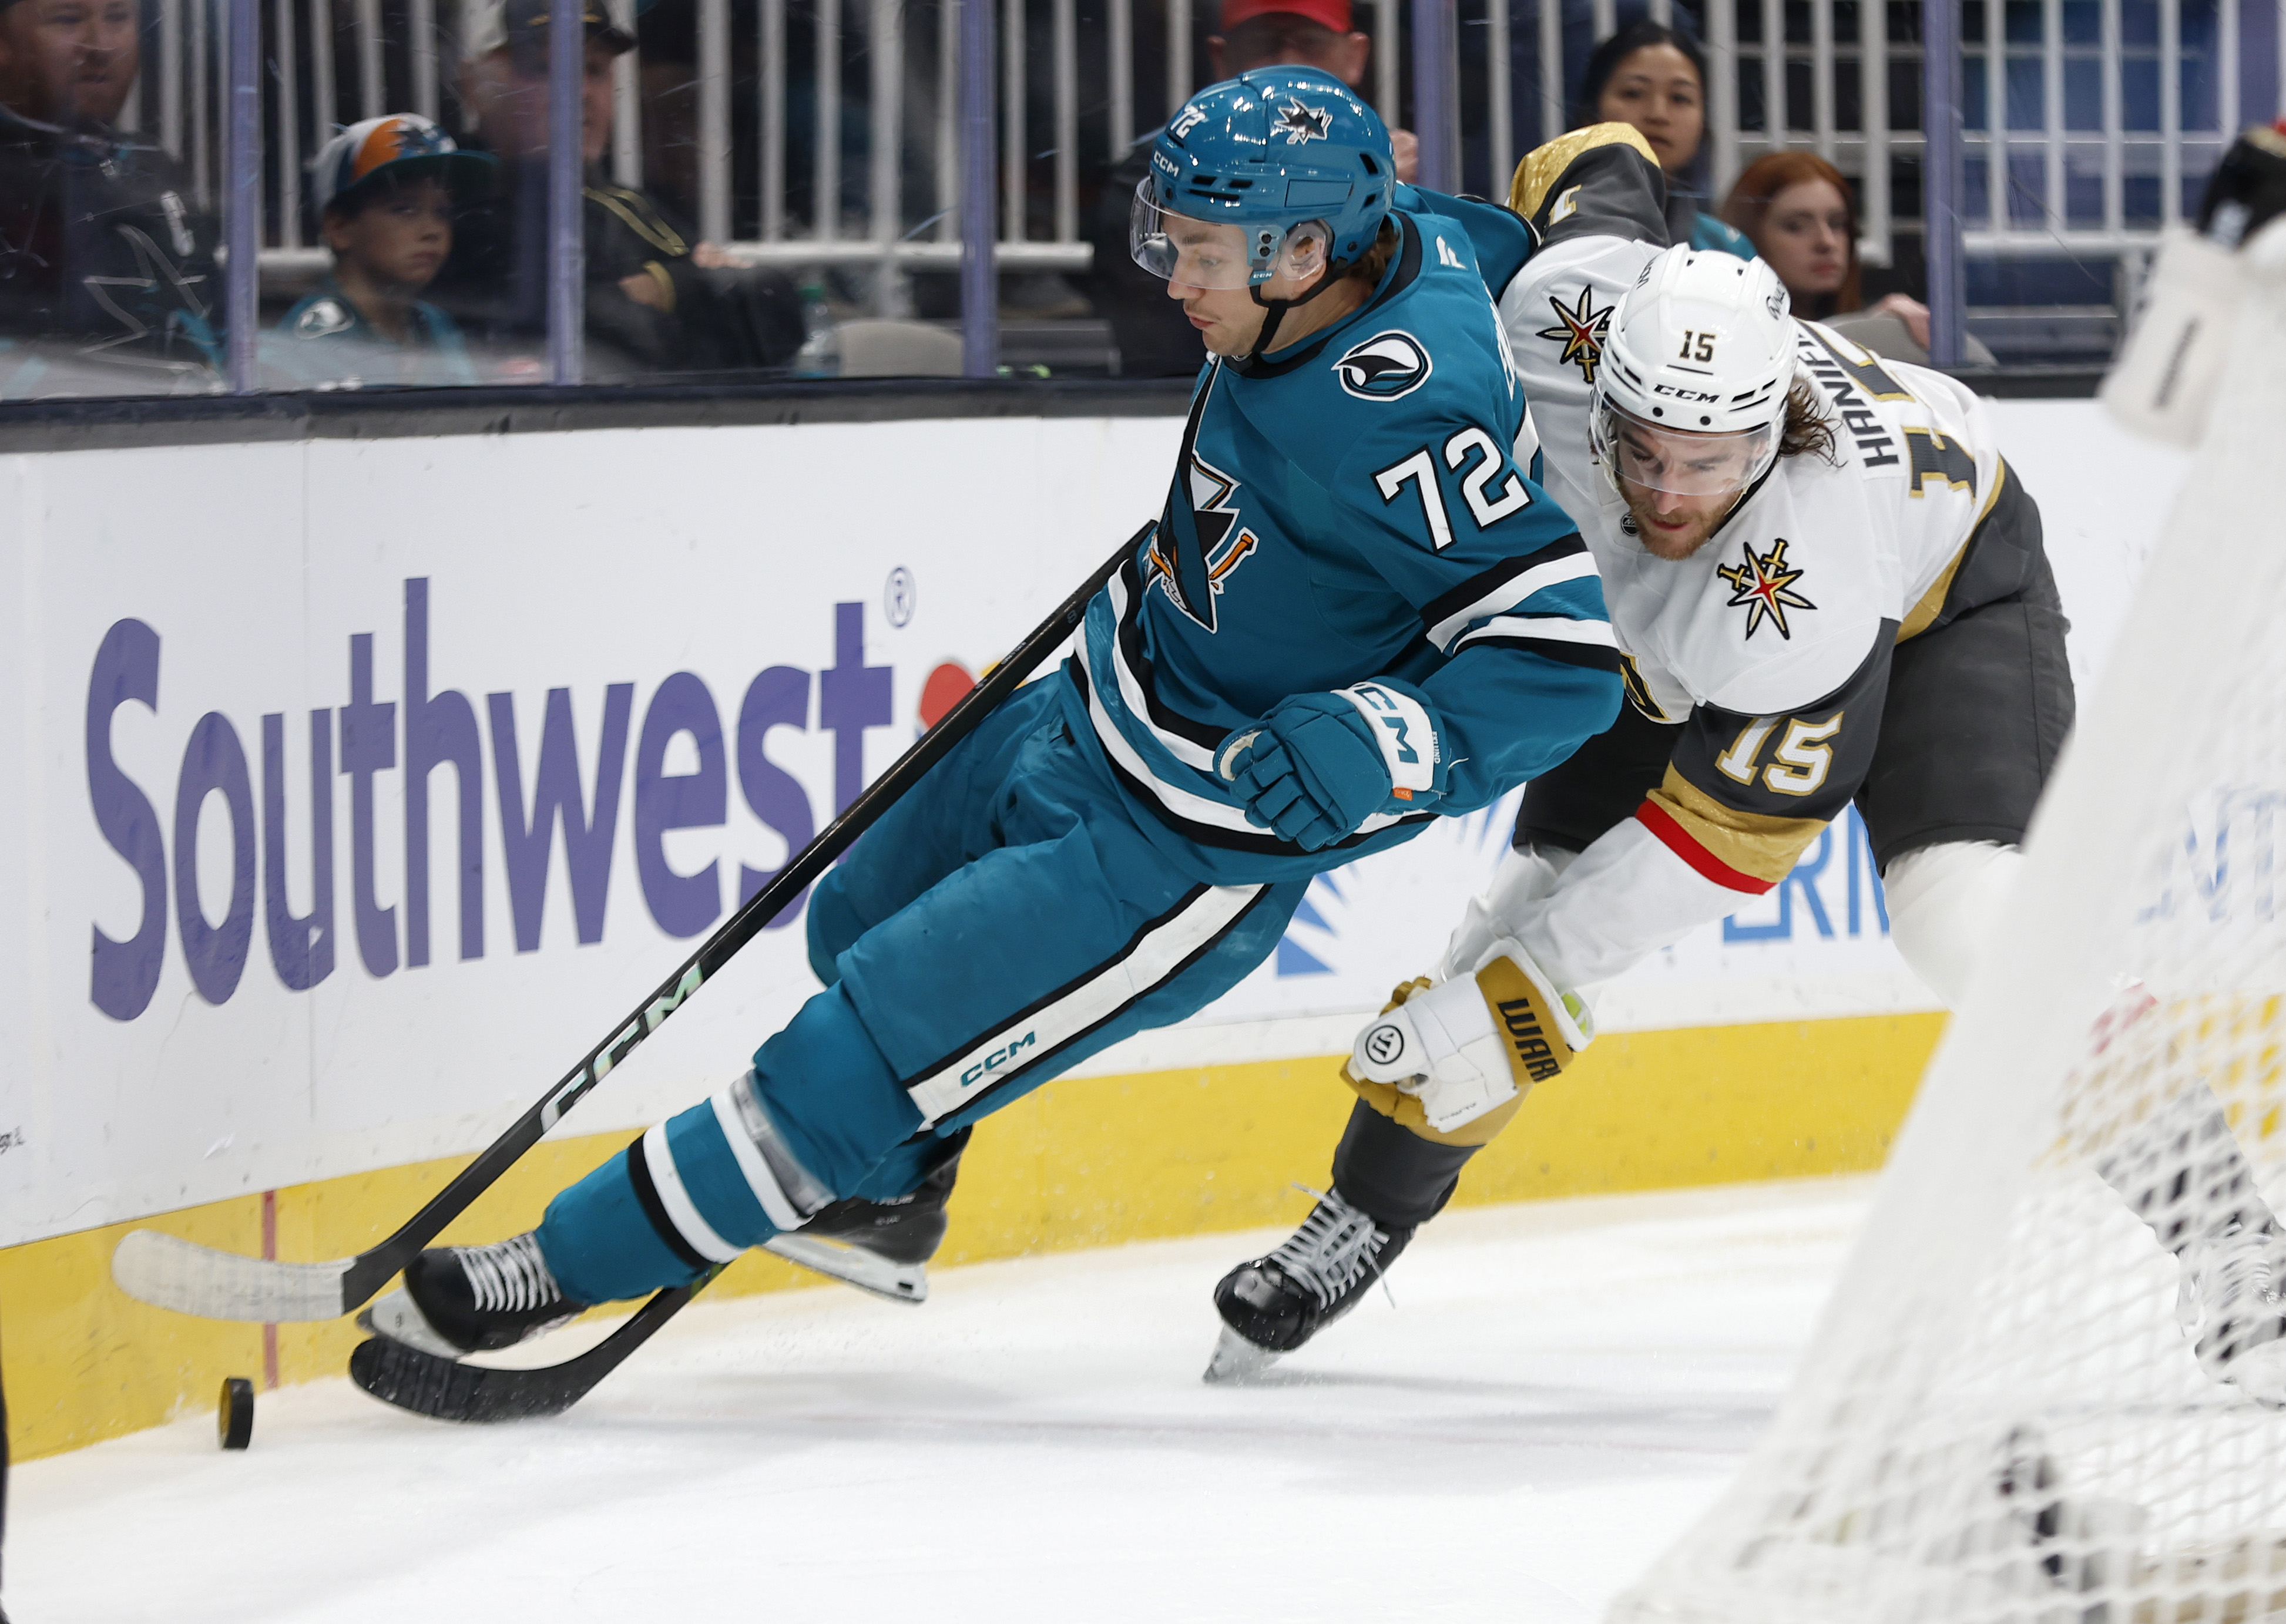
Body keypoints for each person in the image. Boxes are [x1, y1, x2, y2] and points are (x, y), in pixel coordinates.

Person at [358, 68, 1624, 1362]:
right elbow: (1523, 239)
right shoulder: (1392, 237)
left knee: (855, 1050)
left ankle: (553, 1267)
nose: (1172, 279)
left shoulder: (1405, 412)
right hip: (1095, 707)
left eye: (1200, 252)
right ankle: (894, 1188)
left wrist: (1391, 739)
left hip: (1184, 842)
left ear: (1305, 251)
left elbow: (1566, 655)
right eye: (1168, 239)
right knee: (856, 919)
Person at [1209, 122, 2286, 1409]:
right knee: (1506, 920)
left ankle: (2235, 1241)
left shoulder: (1802, 588)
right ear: (1602, 389)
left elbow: (1704, 854)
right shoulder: (1561, 314)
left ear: (1776, 430)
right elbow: (1601, 156)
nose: (1672, 493)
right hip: (1643, 627)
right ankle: (1356, 1217)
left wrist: (1517, 992)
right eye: (1645, 448)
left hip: (1944, 586)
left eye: (1714, 460)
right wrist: (1379, 213)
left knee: (1972, 920)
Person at [432, 0, 803, 377]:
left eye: (594, 69)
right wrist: (701, 292)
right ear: (475, 86)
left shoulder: (631, 203)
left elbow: (778, 315)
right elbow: (619, 352)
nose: (579, 92)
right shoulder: (454, 211)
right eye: (545, 68)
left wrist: (663, 288)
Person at [1087, 0, 1418, 377]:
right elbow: (1168, 367)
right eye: (1263, 42)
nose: (1286, 61)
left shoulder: (1399, 187)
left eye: (1310, 42)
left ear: (1356, 55)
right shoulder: (1171, 169)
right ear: (1221, 57)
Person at [0, 0, 220, 391]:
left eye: (118, 17)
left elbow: (220, 336)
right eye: (68, 19)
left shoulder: (154, 166)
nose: (101, 45)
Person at [272, 115, 494, 388]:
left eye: (442, 213)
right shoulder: (304, 344)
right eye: (405, 209)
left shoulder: (436, 324)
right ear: (339, 227)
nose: (432, 230)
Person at [1720, 149, 1991, 367]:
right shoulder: (1722, 345)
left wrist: (1882, 334)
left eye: (1838, 224)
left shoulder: (1874, 328)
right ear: (1749, 236)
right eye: (1796, 226)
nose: (1826, 242)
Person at [1524, 19, 1750, 258]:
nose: (1658, 114)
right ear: (1589, 117)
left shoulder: (1726, 249)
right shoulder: (1540, 232)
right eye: (1633, 93)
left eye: (1680, 98)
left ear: (1703, 125)